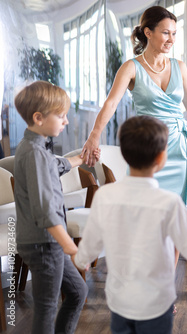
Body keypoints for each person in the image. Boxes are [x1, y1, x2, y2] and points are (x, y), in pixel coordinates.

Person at [73, 115, 187, 334]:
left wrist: (80, 259)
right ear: (161, 158)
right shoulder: (170, 202)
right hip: (157, 306)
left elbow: (89, 247)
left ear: (125, 157)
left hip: (120, 303)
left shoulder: (105, 196)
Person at [81, 6, 187, 221]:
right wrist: (94, 136)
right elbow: (110, 104)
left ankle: (171, 256)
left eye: (174, 34)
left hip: (178, 148)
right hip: (147, 148)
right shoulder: (131, 68)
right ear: (148, 32)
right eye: (165, 33)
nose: (171, 39)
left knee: (178, 215)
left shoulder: (179, 67)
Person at [13, 81, 99, 334]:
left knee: (77, 292)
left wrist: (81, 158)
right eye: (61, 116)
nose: (66, 121)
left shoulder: (33, 148)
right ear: (39, 118)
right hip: (44, 244)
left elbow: (57, 165)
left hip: (47, 243)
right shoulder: (35, 154)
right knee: (46, 308)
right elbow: (45, 212)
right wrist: (72, 247)